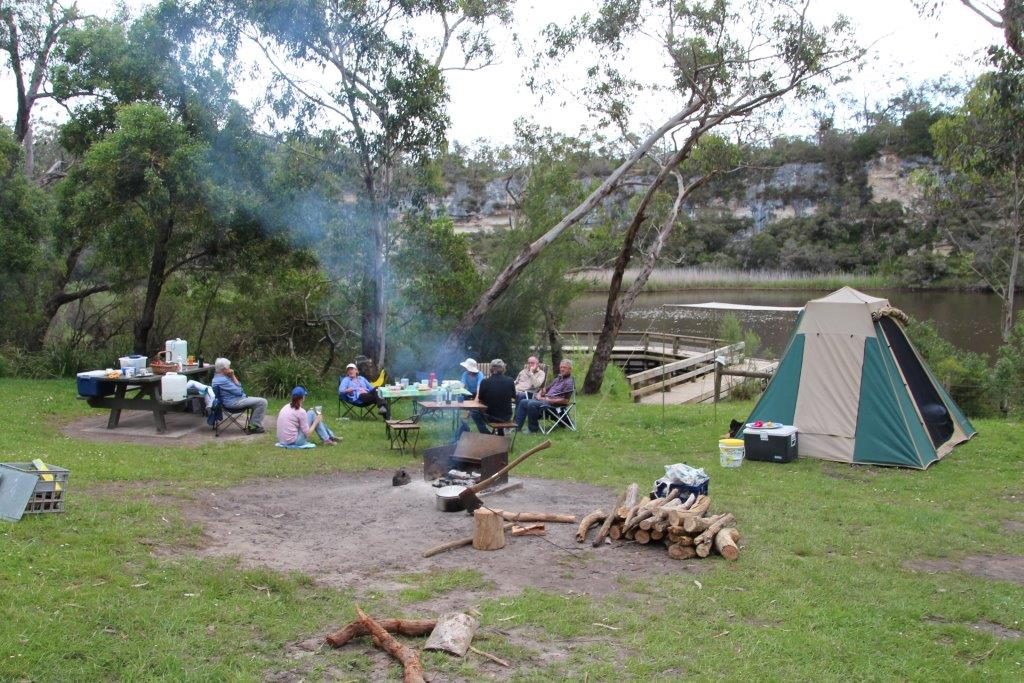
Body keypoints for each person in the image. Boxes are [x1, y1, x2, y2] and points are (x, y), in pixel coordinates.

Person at [514, 358, 575, 434]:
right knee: (523, 402)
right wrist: (539, 393)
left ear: (570, 369)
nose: (562, 369)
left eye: (564, 367)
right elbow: (545, 389)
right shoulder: (557, 379)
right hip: (545, 402)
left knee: (531, 404)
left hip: (554, 406)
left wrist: (548, 400)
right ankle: (516, 428)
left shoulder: (569, 382)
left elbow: (565, 401)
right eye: (561, 367)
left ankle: (533, 430)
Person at [211, 357, 269, 433]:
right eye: (229, 367)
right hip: (234, 403)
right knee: (262, 402)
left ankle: (254, 425)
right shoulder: (223, 380)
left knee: (258, 402)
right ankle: (256, 426)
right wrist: (233, 376)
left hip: (231, 401)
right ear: (224, 369)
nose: (230, 369)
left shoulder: (217, 378)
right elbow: (239, 391)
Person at [463, 358, 516, 434]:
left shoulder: (485, 382)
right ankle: (500, 433)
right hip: (506, 417)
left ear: (491, 369)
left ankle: (486, 433)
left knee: (474, 412)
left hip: (490, 417)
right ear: (503, 368)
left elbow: (480, 399)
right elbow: (513, 397)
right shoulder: (510, 381)